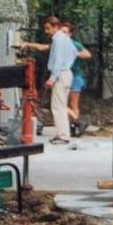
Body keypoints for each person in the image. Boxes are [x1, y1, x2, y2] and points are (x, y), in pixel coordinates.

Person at [19, 22, 91, 137]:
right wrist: (28, 44)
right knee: (61, 103)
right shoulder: (57, 42)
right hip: (64, 73)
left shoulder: (72, 44)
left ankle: (75, 125)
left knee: (71, 104)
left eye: (65, 32)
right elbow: (43, 47)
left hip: (73, 75)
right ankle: (72, 126)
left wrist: (70, 55)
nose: (62, 34)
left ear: (70, 34)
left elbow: (87, 54)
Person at [41, 16, 77, 144]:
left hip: (60, 73)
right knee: (59, 104)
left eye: (48, 28)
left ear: (55, 26)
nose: (46, 31)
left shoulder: (58, 39)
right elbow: (74, 52)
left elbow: (58, 59)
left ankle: (63, 135)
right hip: (65, 72)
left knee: (58, 106)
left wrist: (52, 78)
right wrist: (68, 64)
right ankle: (61, 133)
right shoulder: (65, 38)